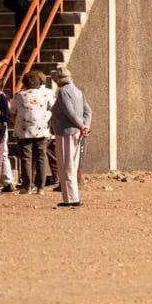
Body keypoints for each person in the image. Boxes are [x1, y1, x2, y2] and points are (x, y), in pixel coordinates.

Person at [50, 65, 92, 208]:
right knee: (72, 165)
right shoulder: (78, 91)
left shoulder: (63, 92)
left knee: (66, 165)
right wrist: (85, 126)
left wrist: (82, 126)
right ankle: (71, 197)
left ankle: (71, 199)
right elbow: (88, 111)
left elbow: (70, 112)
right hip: (76, 132)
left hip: (66, 132)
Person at [10, 69, 55, 193]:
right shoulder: (45, 94)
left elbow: (13, 112)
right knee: (41, 158)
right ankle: (41, 187)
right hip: (42, 129)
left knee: (26, 158)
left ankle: (27, 186)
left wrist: (17, 122)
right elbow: (53, 107)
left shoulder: (19, 95)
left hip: (24, 130)